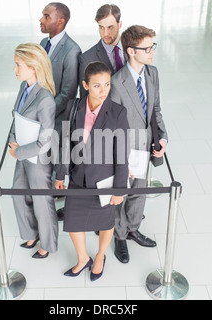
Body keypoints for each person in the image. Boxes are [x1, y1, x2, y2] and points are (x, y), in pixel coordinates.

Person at [55, 62, 130, 281]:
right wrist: (60, 174)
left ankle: (99, 256)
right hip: (78, 177)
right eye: (97, 85)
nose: (103, 90)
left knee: (106, 222)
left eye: (107, 84)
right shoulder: (73, 107)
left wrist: (119, 189)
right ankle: (82, 258)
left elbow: (121, 155)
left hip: (104, 180)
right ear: (85, 85)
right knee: (72, 221)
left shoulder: (118, 113)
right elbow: (65, 143)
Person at [109, 25, 168, 264]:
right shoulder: (116, 82)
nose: (152, 51)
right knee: (121, 193)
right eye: (147, 48)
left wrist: (162, 137)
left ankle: (133, 228)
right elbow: (112, 126)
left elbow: (155, 110)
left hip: (146, 145)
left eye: (153, 46)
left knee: (140, 190)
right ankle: (120, 235)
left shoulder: (152, 73)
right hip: (125, 148)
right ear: (131, 51)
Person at [8, 43, 58, 259]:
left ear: (33, 67)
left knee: (41, 201)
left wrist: (18, 153)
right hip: (21, 151)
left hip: (36, 158)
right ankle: (30, 232)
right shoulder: (23, 88)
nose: (15, 69)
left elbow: (45, 141)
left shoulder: (45, 99)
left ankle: (47, 244)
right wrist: (12, 141)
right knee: (17, 192)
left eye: (18, 65)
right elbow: (16, 116)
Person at [39, 2, 81, 135]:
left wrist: (45, 112)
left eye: (46, 17)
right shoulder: (43, 43)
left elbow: (68, 93)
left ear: (60, 22)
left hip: (54, 119)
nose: (41, 20)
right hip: (38, 112)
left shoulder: (72, 50)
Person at [78, 4, 125, 98]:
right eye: (101, 27)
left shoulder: (131, 49)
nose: (105, 33)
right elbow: (85, 99)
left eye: (110, 27)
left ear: (120, 25)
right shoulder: (87, 59)